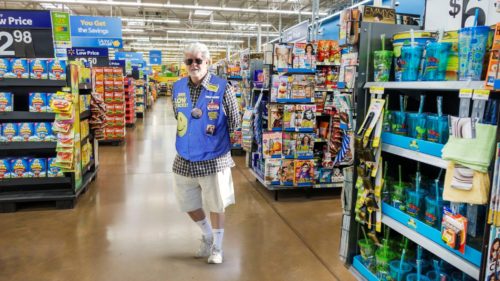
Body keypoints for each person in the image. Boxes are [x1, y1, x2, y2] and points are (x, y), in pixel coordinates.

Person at [171, 42, 241, 264]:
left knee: (216, 204)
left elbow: (235, 120)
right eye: (189, 61)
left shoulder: (223, 87)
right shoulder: (178, 87)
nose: (194, 65)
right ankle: (208, 236)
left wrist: (217, 141)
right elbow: (178, 115)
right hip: (184, 155)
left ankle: (217, 248)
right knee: (188, 203)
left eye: (198, 60)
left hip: (214, 157)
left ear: (208, 62)